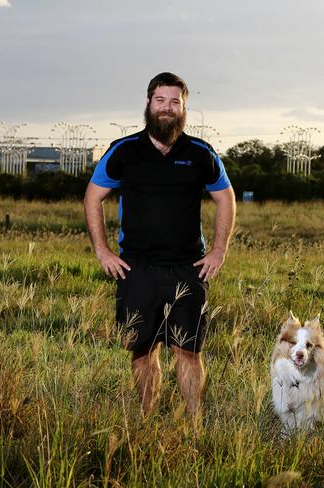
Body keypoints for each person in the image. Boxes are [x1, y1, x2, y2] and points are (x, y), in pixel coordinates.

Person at [84, 72, 236, 416]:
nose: (167, 108)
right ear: (148, 104)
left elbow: (225, 198)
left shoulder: (200, 153)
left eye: (174, 102)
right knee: (142, 350)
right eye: (160, 100)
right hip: (137, 268)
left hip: (188, 266)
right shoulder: (124, 151)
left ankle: (194, 423)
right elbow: (93, 197)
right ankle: (145, 420)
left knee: (189, 351)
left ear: (184, 108)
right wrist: (102, 250)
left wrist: (218, 250)